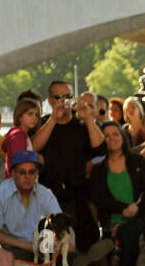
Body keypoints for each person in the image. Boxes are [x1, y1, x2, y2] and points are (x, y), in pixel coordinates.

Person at [32, 82, 103, 248]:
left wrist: (88, 118)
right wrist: (54, 119)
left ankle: (82, 260)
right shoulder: (44, 124)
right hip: (50, 194)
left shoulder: (83, 125)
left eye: (68, 97)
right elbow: (33, 147)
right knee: (49, 243)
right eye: (59, 97)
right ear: (50, 101)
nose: (64, 101)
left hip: (77, 194)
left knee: (86, 241)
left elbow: (100, 148)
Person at [89, 122, 145, 266]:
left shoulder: (137, 161)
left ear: (122, 137)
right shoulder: (98, 169)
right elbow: (98, 198)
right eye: (106, 136)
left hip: (137, 223)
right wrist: (122, 209)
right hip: (109, 227)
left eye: (115, 134)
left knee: (131, 235)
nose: (111, 138)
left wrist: (137, 209)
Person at [0, 151, 63, 261]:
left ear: (37, 173)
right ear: (13, 173)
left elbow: (61, 226)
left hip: (43, 247)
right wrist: (27, 245)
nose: (27, 177)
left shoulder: (46, 194)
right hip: (13, 247)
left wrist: (49, 244)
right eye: (22, 172)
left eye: (31, 172)